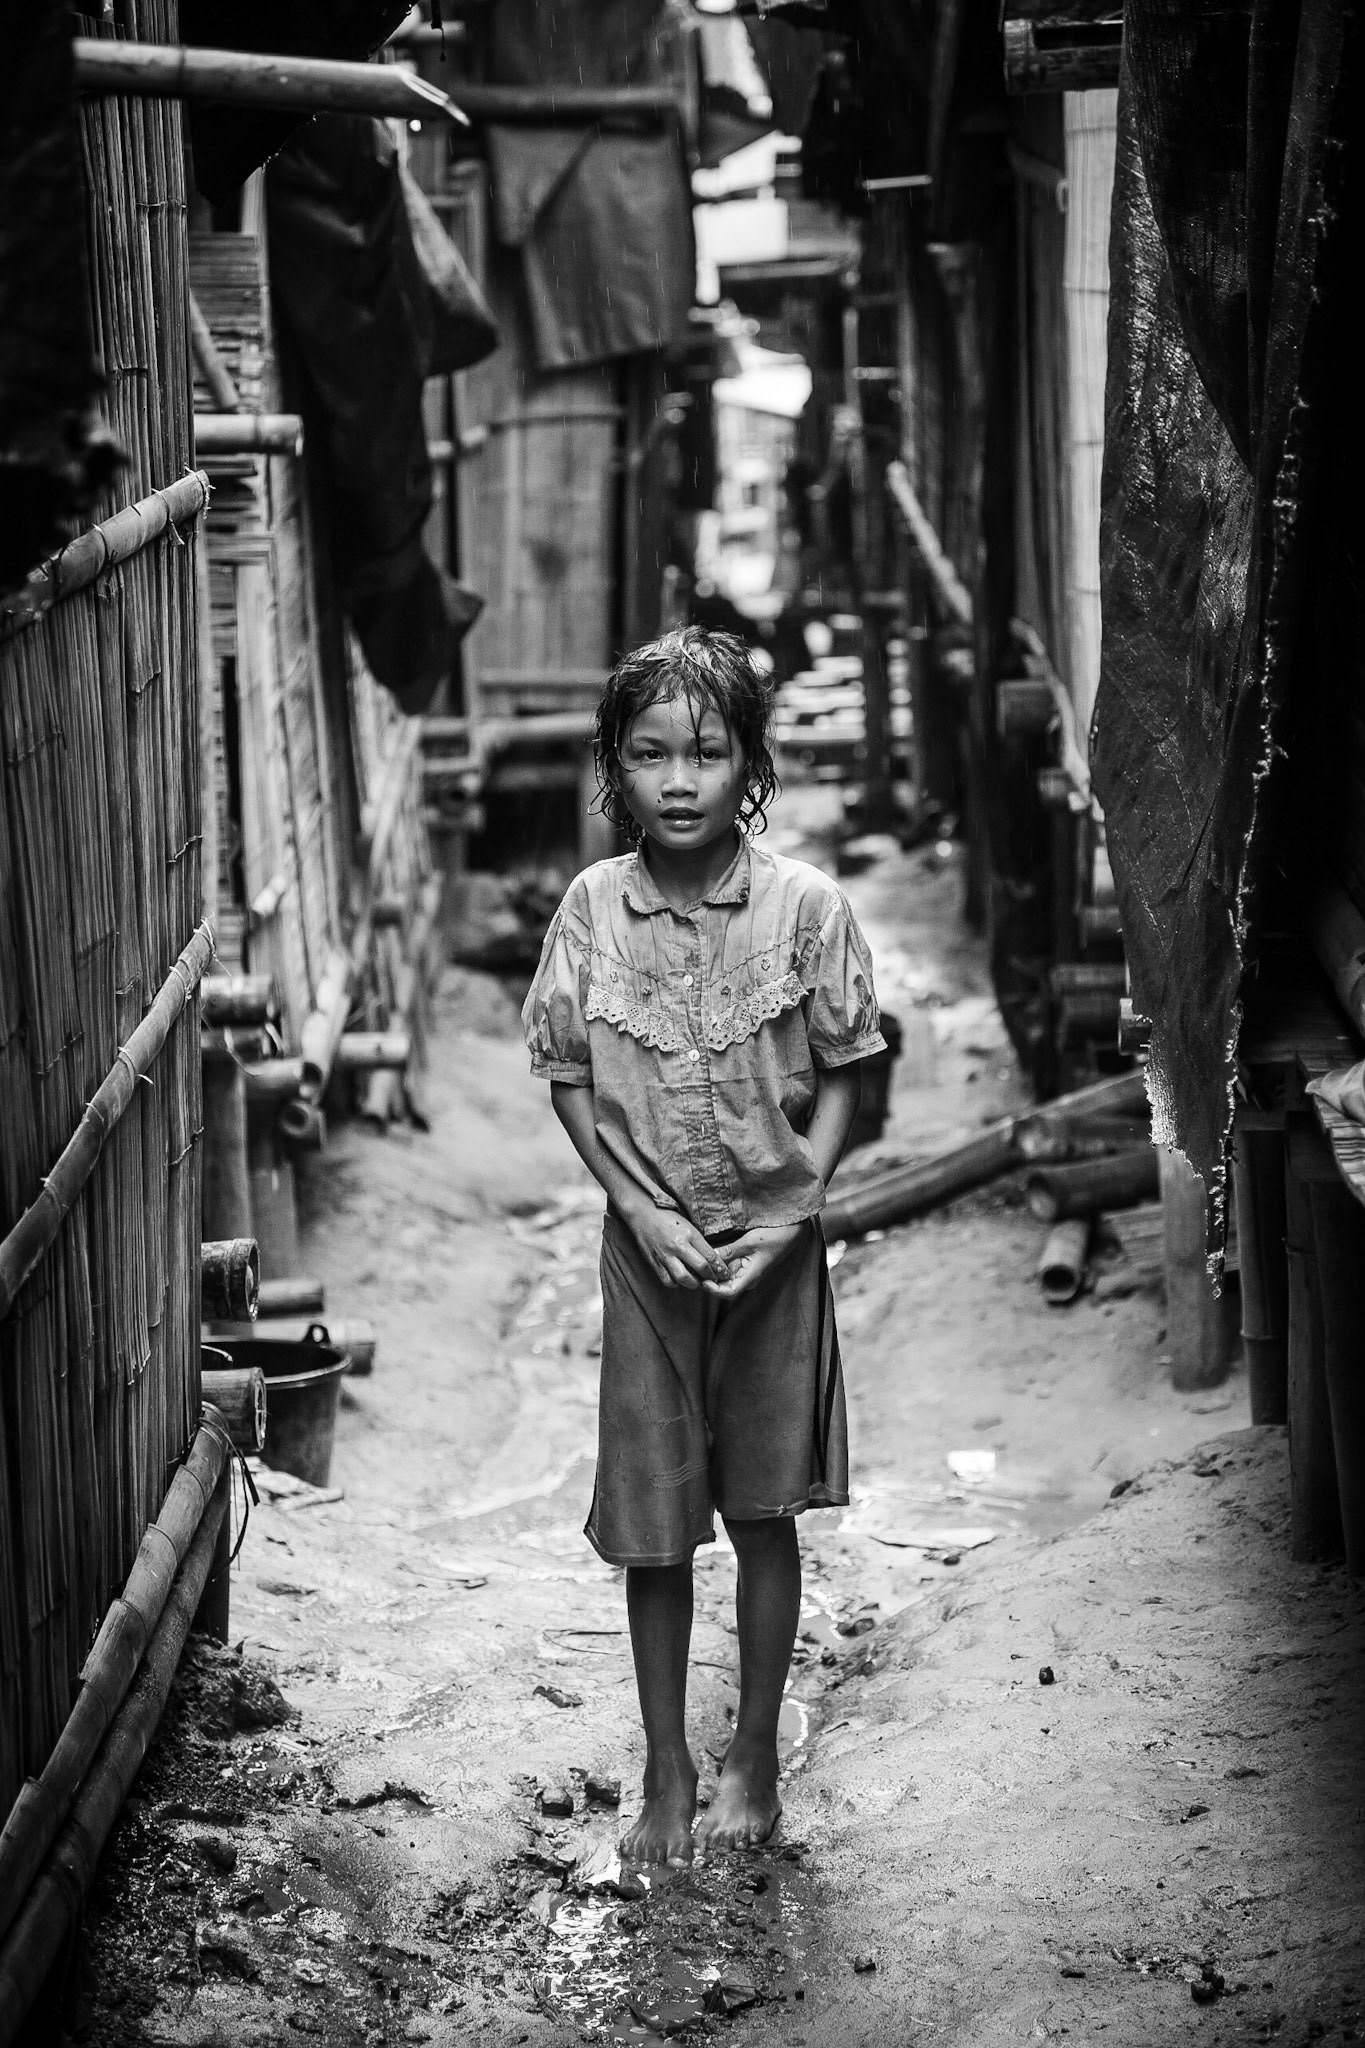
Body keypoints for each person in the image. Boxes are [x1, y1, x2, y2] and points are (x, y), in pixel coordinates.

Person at [521, 627, 885, 1865]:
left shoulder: (806, 909)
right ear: (616, 772)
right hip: (649, 1261)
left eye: (707, 752)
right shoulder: (590, 908)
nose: (679, 780)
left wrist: (796, 1211)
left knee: (764, 1510)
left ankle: (758, 1757)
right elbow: (568, 1074)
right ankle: (667, 1766)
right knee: (655, 1523)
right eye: (650, 754)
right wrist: (638, 1206)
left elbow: (846, 1071)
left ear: (751, 767)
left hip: (774, 1260)